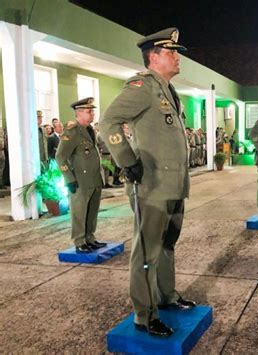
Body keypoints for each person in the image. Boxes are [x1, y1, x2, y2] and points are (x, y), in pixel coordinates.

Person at [99, 27, 196, 338]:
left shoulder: (166, 90)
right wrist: (127, 160)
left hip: (172, 184)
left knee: (167, 244)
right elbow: (108, 121)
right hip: (151, 186)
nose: (177, 57)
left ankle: (166, 296)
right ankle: (144, 314)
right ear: (154, 57)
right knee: (146, 252)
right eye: (171, 52)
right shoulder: (143, 87)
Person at [55, 98, 107, 253]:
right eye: (89, 111)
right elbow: (60, 156)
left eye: (92, 111)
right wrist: (69, 178)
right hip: (80, 180)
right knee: (79, 211)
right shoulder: (72, 131)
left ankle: (90, 238)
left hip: (94, 178)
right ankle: (79, 241)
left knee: (92, 211)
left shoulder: (90, 130)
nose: (92, 114)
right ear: (79, 113)